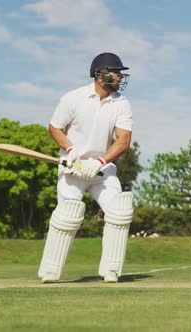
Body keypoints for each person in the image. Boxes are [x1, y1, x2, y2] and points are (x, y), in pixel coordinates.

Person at [38, 52, 134, 283]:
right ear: (100, 75)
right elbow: (55, 128)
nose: (120, 77)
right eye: (116, 72)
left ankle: (111, 270)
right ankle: (50, 271)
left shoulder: (121, 103)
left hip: (102, 168)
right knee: (69, 213)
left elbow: (123, 140)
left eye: (121, 73)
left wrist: (100, 162)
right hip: (73, 169)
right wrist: (70, 151)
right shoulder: (73, 98)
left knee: (119, 211)